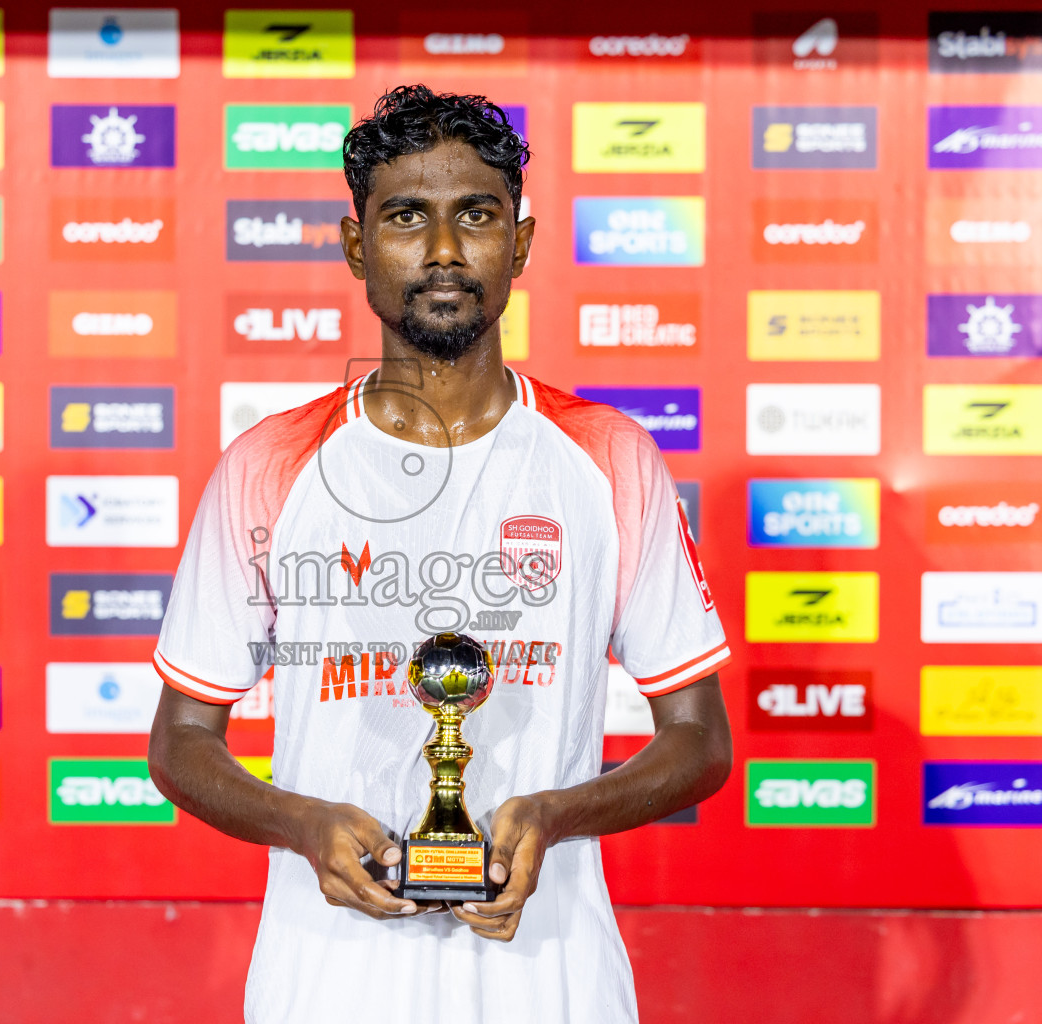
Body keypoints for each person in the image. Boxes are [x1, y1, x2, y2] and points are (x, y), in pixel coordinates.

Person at [147, 84, 732, 1024]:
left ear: (523, 242)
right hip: (327, 982)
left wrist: (553, 815)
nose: (446, 251)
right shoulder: (272, 464)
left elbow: (700, 740)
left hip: (552, 976)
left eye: (477, 215)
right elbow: (179, 744)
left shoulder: (610, 457)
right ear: (355, 246)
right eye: (408, 217)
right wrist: (304, 824)